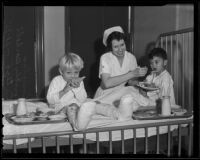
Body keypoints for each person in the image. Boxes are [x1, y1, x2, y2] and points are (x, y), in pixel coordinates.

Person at [46, 53, 135, 131]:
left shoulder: (79, 82)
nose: (73, 76)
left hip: (79, 105)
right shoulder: (56, 81)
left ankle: (119, 114)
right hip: (62, 108)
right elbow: (50, 100)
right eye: (69, 73)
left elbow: (82, 98)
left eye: (76, 72)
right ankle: (78, 125)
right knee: (72, 107)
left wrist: (77, 88)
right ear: (61, 71)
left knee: (96, 104)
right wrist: (64, 90)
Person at [94, 26, 148, 99]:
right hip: (105, 95)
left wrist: (142, 83)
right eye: (116, 47)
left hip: (121, 93)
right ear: (110, 47)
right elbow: (107, 83)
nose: (120, 50)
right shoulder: (105, 58)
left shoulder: (131, 58)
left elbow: (131, 82)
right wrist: (132, 73)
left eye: (122, 45)